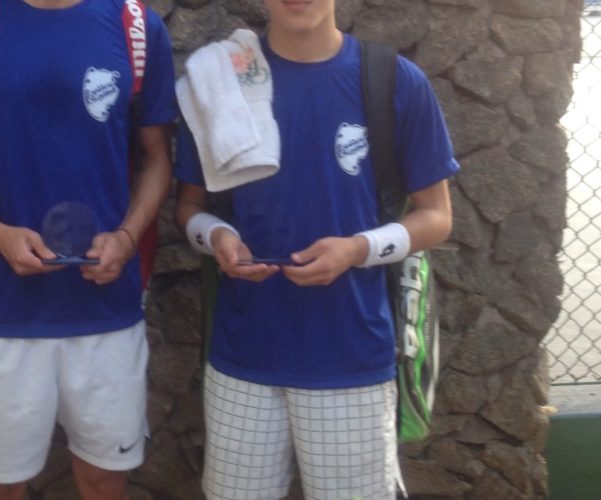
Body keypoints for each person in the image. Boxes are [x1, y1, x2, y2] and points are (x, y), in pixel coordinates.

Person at [174, 0, 458, 497]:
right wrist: (216, 236)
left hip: (352, 359)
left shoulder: (393, 80)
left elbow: (437, 217)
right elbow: (188, 208)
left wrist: (358, 249)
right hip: (243, 357)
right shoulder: (221, 79)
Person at [0, 0, 176, 498]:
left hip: (106, 314)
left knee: (104, 482)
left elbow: (158, 160)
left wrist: (127, 237)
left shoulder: (136, 28)